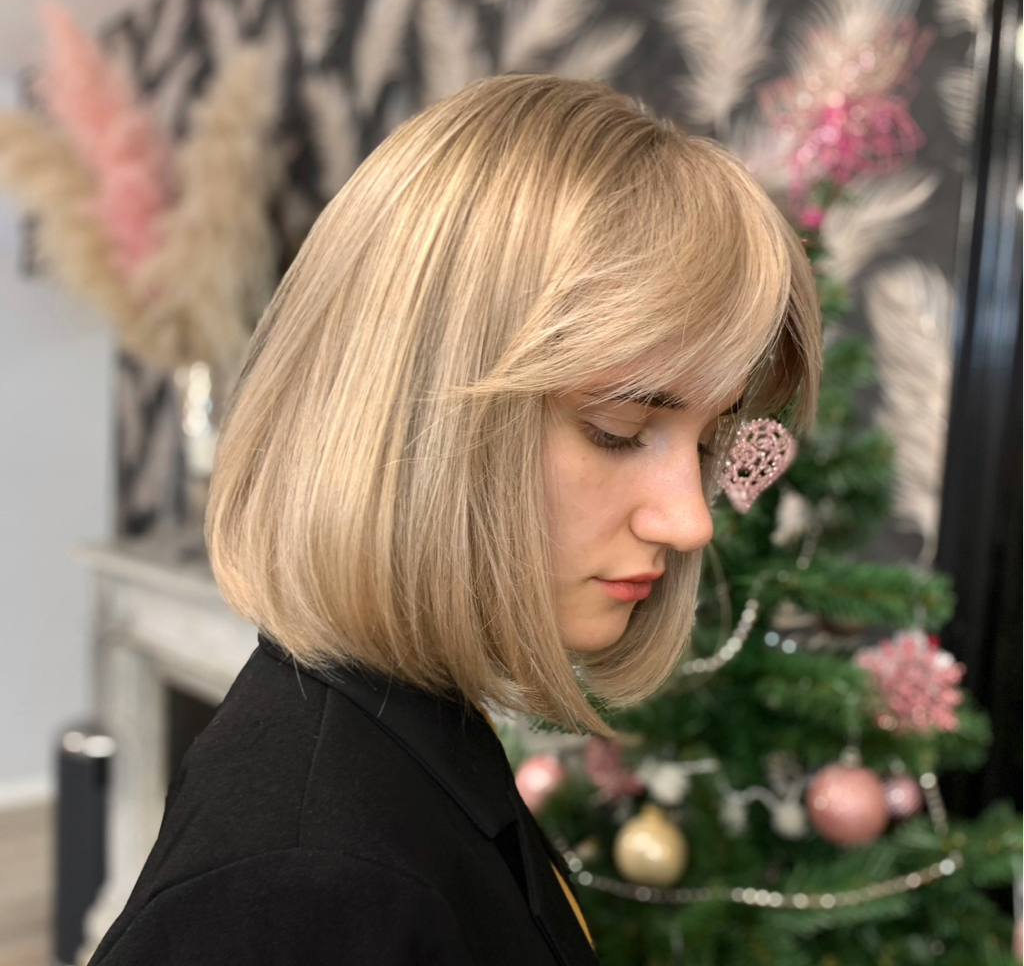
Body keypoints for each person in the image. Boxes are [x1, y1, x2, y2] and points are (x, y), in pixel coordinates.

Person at [87, 73, 822, 965]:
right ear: (419, 418)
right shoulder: (311, 887)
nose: (690, 522)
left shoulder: (405, 737)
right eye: (619, 429)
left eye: (706, 445)